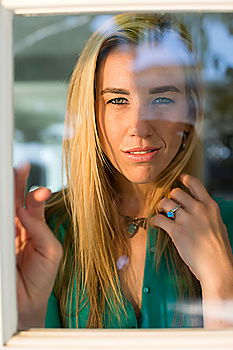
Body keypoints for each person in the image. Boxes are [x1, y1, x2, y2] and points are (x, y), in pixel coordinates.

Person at [15, 13, 233, 330]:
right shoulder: (45, 231)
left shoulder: (225, 225)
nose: (139, 128)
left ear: (191, 111)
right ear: (90, 112)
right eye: (117, 99)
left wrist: (221, 281)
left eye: (161, 97)